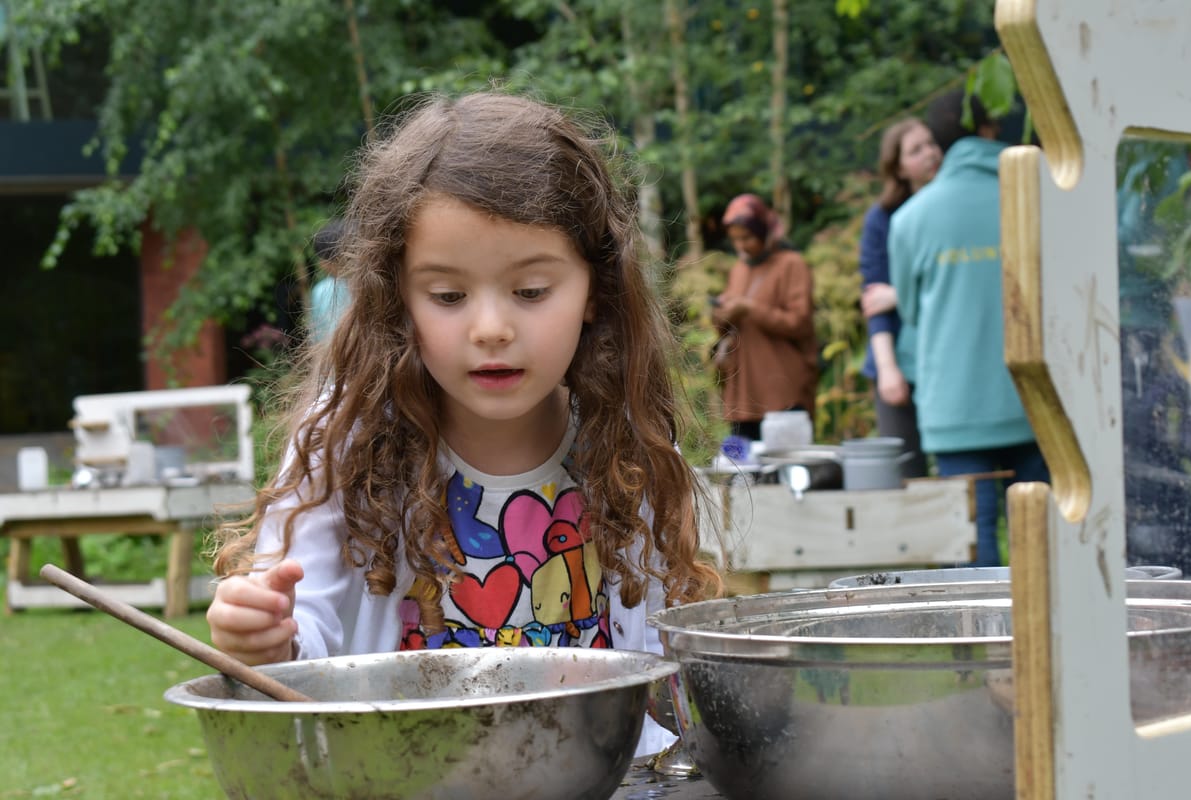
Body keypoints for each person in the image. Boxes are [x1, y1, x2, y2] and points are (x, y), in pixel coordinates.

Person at [205, 91, 723, 757]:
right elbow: (308, 635)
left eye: (531, 292)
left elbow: (657, 660)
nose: (491, 329)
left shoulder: (625, 445)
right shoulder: (345, 444)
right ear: (397, 299)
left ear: (594, 290)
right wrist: (267, 636)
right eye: (448, 296)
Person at [889, 89, 1049, 567]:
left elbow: (913, 313)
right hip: (1034, 396)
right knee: (1042, 538)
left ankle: (984, 643)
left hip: (954, 408)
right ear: (991, 129)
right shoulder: (1038, 190)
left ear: (938, 141)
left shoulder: (909, 220)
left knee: (974, 543)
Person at [858, 118, 942, 479]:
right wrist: (888, 369)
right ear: (899, 167)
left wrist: (898, 294)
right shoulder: (882, 218)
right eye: (915, 150)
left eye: (931, 143)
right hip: (900, 359)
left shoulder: (951, 207)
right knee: (907, 474)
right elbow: (874, 300)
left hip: (945, 358)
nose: (930, 154)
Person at [712, 194, 818, 442]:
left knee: (785, 466)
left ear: (763, 231)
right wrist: (721, 313)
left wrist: (749, 308)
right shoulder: (739, 269)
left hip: (782, 391)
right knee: (740, 465)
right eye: (734, 240)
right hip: (742, 391)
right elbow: (726, 325)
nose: (740, 246)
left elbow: (800, 322)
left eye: (746, 238)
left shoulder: (791, 265)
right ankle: (735, 476)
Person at [308, 218, 351, 342]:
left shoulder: (367, 286)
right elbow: (316, 337)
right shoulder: (320, 290)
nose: (321, 264)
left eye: (323, 258)